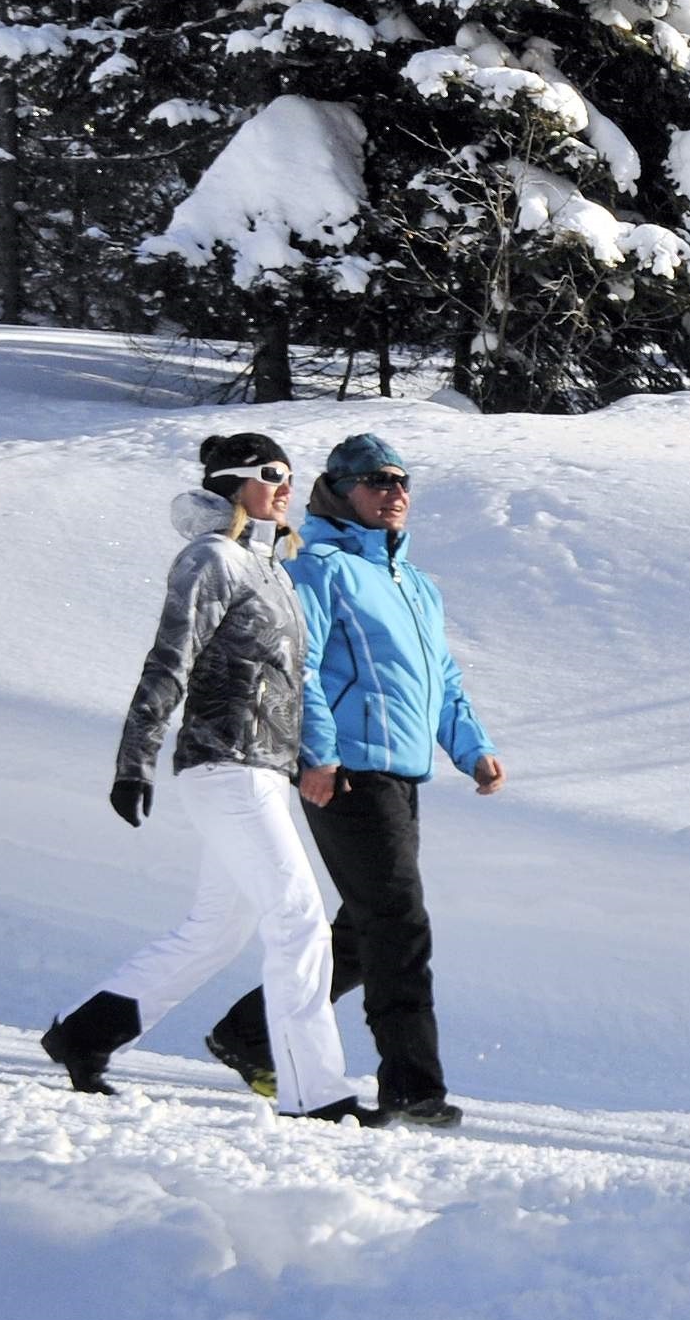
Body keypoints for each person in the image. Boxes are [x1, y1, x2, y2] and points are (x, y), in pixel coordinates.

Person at [39, 431, 350, 1118]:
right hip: (225, 763)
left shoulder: (269, 568)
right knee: (299, 922)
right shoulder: (211, 558)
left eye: (291, 474)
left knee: (217, 929)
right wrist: (134, 761)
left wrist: (313, 759)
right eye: (271, 473)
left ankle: (86, 1034)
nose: (285, 485)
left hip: (262, 769)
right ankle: (314, 1093)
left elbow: (288, 681)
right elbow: (169, 657)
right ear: (232, 481)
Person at [201, 431, 501, 1129]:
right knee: (400, 925)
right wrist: (320, 756)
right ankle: (413, 1089)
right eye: (375, 481)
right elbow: (297, 670)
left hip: (401, 771)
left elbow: (443, 679)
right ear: (340, 490)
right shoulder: (320, 568)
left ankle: (248, 1033)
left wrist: (473, 748)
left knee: (367, 934)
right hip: (348, 771)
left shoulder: (415, 583)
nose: (393, 493)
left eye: (401, 482)